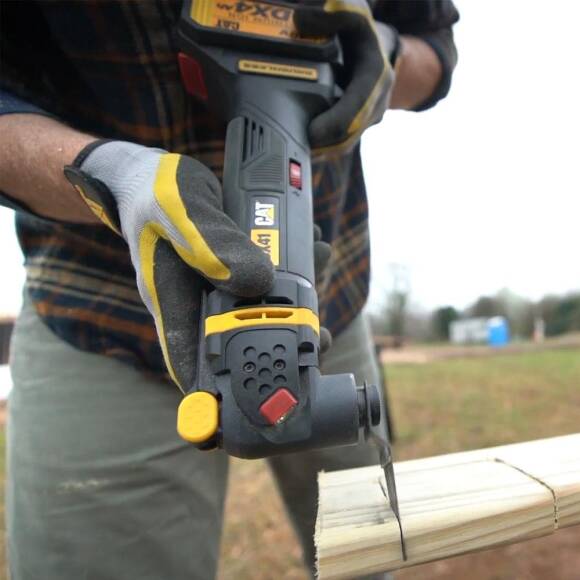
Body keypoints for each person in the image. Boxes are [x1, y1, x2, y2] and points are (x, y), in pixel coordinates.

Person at [0, 1, 458, 578]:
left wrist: (383, 55)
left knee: (370, 555)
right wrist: (106, 174)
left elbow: (435, 47)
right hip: (101, 309)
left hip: (327, 300)